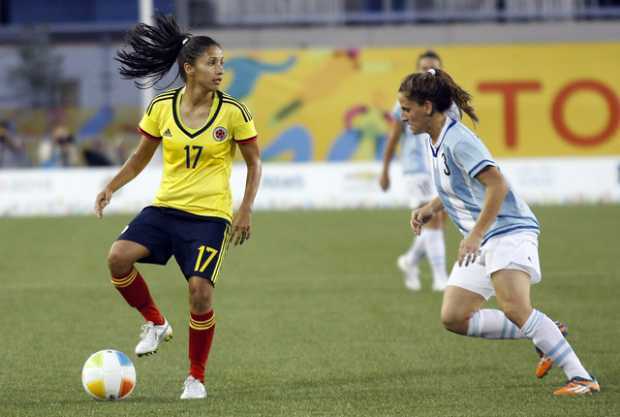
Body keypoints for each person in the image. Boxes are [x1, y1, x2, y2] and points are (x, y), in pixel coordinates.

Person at [400, 68, 599, 396]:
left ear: (427, 107)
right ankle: (548, 333)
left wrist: (476, 234)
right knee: (454, 316)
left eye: (407, 109)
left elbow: (496, 183)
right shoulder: (436, 139)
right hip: (485, 236)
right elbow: (460, 185)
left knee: (515, 308)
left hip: (506, 230)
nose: (403, 116)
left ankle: (581, 377)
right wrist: (430, 208)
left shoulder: (457, 140)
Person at [94, 15, 262, 400]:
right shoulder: (161, 107)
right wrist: (111, 187)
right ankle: (155, 323)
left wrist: (245, 208)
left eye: (222, 62)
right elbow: (139, 158)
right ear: (189, 68)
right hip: (165, 209)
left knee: (200, 292)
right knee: (118, 257)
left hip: (209, 216)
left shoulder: (234, 112)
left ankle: (195, 378)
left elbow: (254, 162)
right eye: (212, 63)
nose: (220, 70)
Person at [380, 50, 453, 291]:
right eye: (423, 68)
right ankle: (441, 278)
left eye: (432, 69)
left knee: (439, 219)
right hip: (416, 168)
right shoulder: (406, 102)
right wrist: (385, 170)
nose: (428, 73)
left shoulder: (446, 102)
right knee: (431, 220)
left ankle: (410, 260)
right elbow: (393, 136)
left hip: (438, 165)